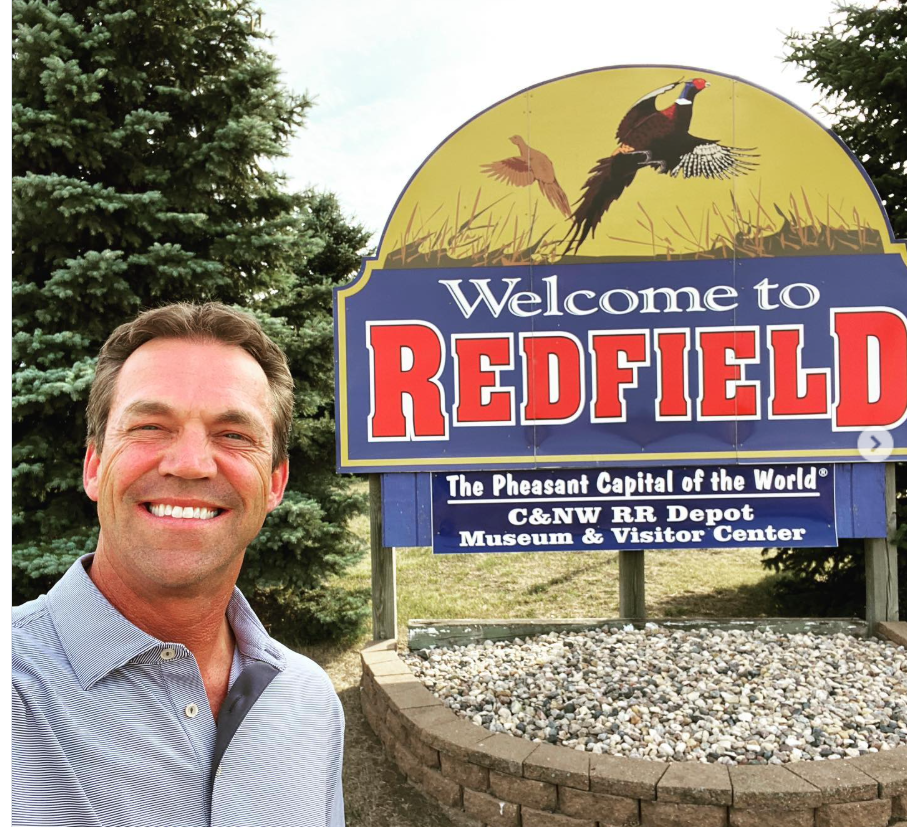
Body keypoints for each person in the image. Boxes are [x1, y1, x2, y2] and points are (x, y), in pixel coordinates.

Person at [12, 302, 345, 827]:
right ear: (95, 467)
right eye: (150, 426)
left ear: (275, 483)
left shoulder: (308, 699)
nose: (189, 464)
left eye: (234, 435)